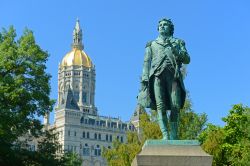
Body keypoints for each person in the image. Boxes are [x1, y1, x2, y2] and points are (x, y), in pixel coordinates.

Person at [138, 18, 190, 140]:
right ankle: (165, 134)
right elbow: (146, 62)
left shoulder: (178, 42)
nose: (162, 26)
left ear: (170, 28)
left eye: (165, 25)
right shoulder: (152, 44)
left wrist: (177, 51)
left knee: (175, 106)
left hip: (174, 78)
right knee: (160, 106)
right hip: (157, 76)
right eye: (160, 25)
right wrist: (144, 78)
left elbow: (187, 59)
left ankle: (174, 135)